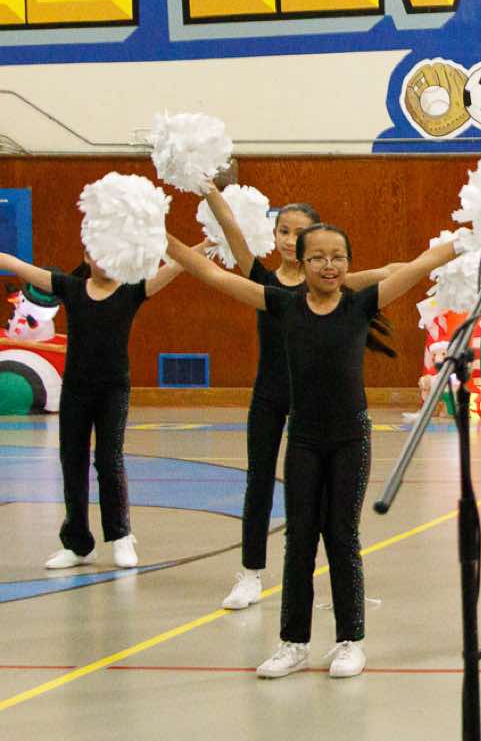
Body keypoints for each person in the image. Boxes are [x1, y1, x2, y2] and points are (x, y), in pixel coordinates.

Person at [164, 225, 454, 678]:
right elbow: (214, 275)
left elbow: (421, 265)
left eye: (338, 257)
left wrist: (469, 238)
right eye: (317, 257)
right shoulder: (285, 304)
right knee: (299, 539)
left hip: (350, 440)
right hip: (302, 440)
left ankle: (350, 641)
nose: (328, 265)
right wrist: (161, 238)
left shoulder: (361, 304)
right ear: (302, 264)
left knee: (341, 536)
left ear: (349, 263)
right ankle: (293, 643)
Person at [197, 189, 396, 611]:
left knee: (331, 501)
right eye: (283, 231)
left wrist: (452, 258)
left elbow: (392, 272)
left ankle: (345, 580)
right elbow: (231, 227)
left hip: (320, 404)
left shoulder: (331, 280)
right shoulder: (262, 281)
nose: (289, 240)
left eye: (298, 233)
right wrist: (208, 187)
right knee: (259, 480)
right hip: (270, 394)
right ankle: (250, 574)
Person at [0, 246, 181, 569]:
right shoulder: (70, 287)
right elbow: (17, 265)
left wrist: (208, 244)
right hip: (75, 391)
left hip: (113, 391)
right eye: (99, 253)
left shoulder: (131, 290)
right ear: (86, 256)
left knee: (109, 461)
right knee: (72, 461)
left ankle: (121, 535)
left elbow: (177, 265)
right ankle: (78, 544)